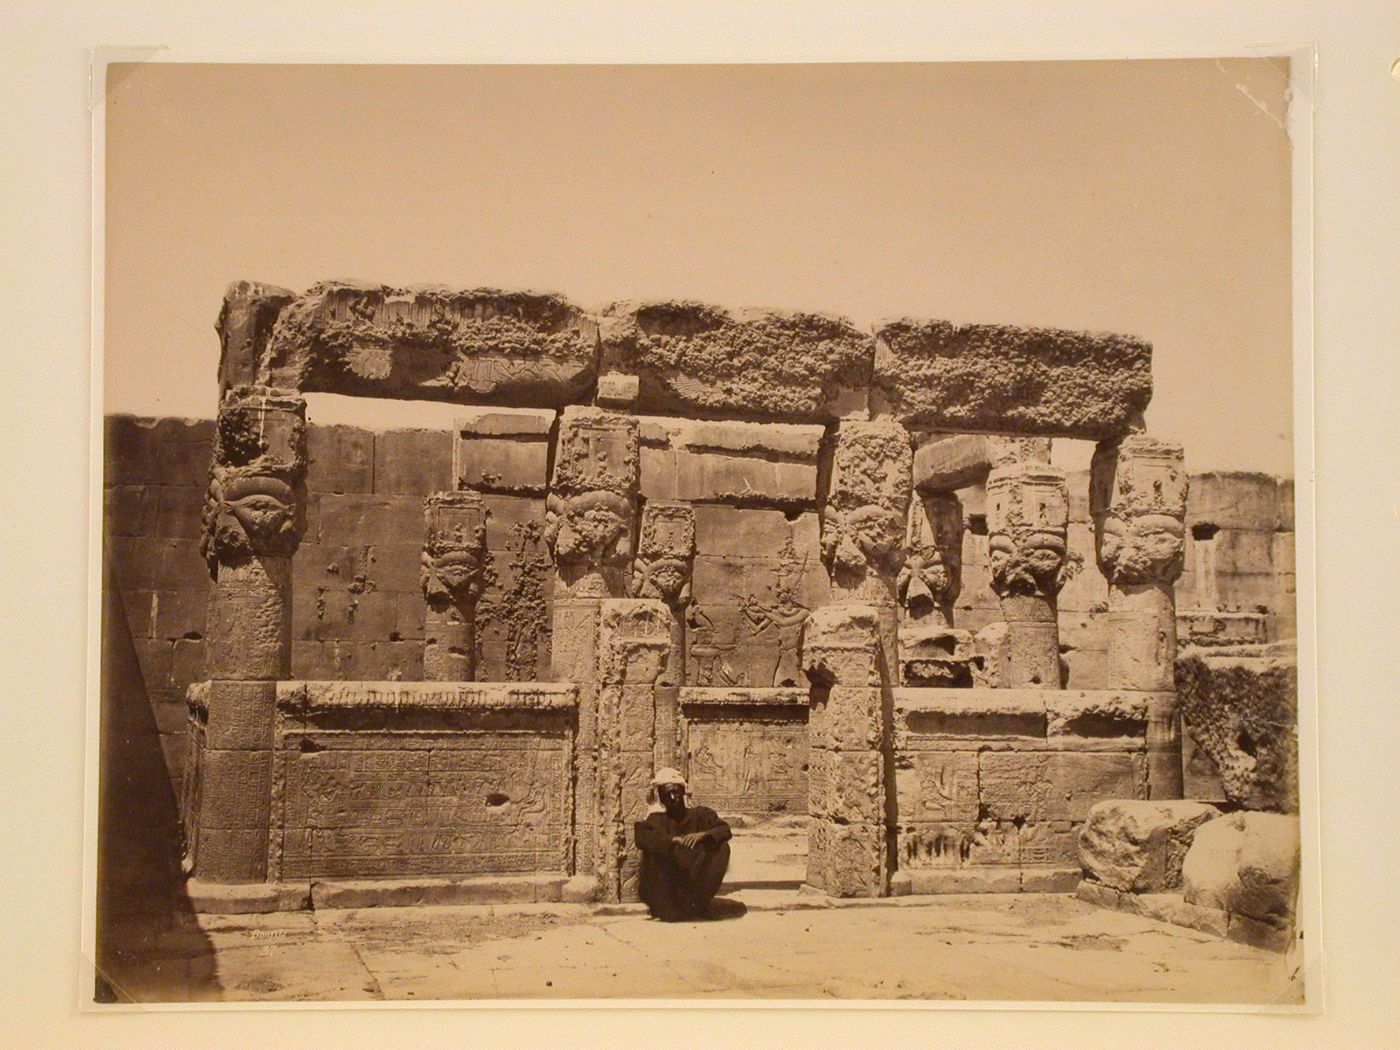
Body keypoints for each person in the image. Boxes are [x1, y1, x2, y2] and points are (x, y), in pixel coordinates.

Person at [634, 768, 732, 921]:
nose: (673, 798)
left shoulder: (700, 814)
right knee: (654, 849)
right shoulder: (657, 819)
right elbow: (641, 837)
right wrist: (670, 841)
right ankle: (669, 907)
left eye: (676, 792)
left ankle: (700, 902)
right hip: (668, 890)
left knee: (722, 847)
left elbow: (724, 829)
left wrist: (704, 835)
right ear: (661, 798)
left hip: (694, 883)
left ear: (683, 792)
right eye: (667, 794)